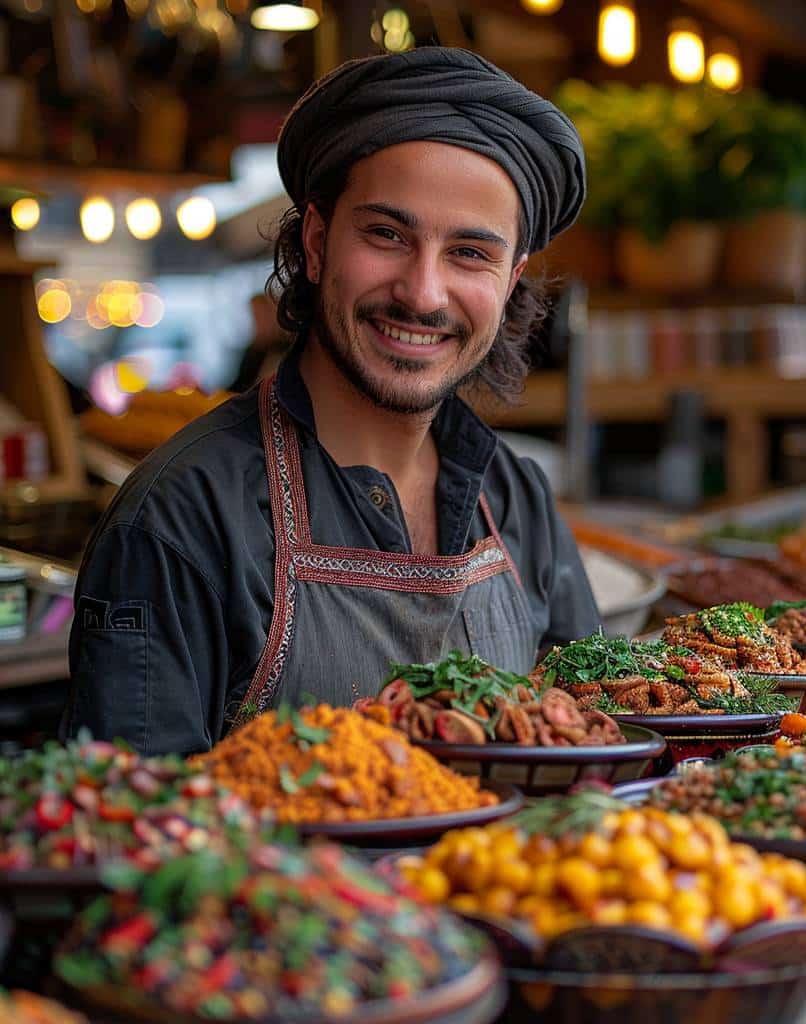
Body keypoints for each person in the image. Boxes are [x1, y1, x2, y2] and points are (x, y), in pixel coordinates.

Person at [62, 47, 600, 755]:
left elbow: (591, 756)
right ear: (316, 243)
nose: (423, 292)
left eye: (470, 253)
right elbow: (126, 837)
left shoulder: (517, 500)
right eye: (386, 235)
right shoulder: (181, 520)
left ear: (510, 280)